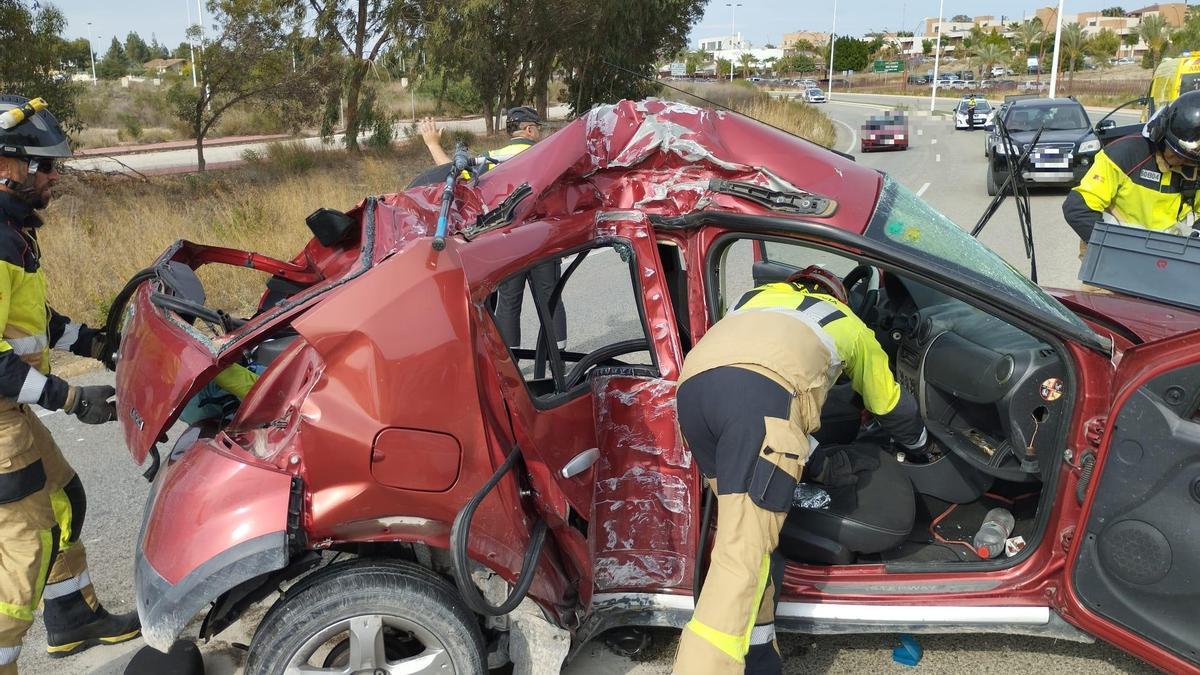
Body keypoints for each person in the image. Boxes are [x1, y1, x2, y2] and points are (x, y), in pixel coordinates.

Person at [673, 266, 927, 675]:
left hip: (693, 399)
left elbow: (743, 375)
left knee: (752, 543)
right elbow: (889, 405)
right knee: (740, 558)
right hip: (757, 405)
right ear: (837, 297)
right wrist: (919, 443)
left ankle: (759, 658)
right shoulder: (846, 322)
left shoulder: (752, 300)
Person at [0, 95, 139, 675]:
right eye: (44, 165)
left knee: (64, 494)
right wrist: (70, 398)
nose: (55, 176)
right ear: (6, 166)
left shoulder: (13, 234)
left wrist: (94, 343)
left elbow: (31, 321)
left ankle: (73, 621)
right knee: (24, 547)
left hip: (11, 406)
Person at [420, 106, 565, 346]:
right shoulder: (547, 153)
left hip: (507, 240)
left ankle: (513, 364)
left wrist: (433, 144)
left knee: (509, 302)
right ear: (529, 129)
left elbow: (454, 175)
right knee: (551, 296)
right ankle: (560, 359)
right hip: (541, 237)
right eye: (538, 128)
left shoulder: (491, 158)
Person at [1063, 89, 1200, 253]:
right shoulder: (1124, 154)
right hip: (1119, 255)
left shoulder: (1194, 167)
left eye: (1188, 159)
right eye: (1175, 153)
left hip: (1170, 257)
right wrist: (1119, 248)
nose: (1180, 162)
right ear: (1161, 135)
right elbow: (1077, 209)